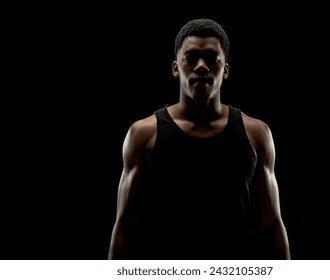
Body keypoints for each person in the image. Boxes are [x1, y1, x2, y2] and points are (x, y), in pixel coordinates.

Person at [108, 18, 290, 260]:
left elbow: (271, 225)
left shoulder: (256, 134)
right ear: (175, 68)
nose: (202, 67)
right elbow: (126, 227)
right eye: (191, 57)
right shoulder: (143, 135)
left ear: (225, 69)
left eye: (213, 59)